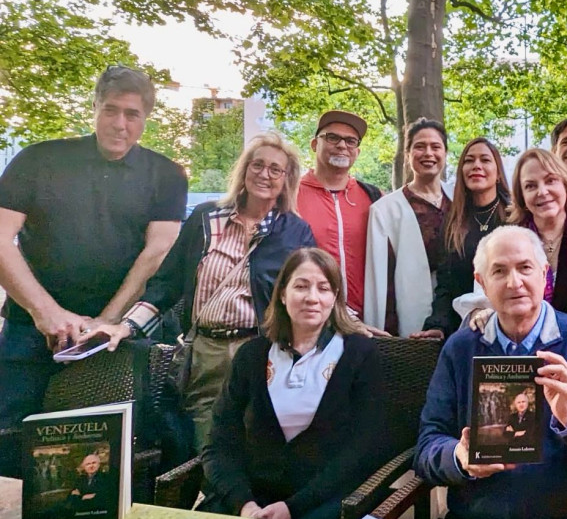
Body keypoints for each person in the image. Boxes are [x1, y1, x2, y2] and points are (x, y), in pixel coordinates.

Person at [0, 66, 187, 476]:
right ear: (95, 107)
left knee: (101, 455)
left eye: (132, 114)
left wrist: (108, 319)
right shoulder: (38, 160)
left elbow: (157, 252)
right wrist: (45, 312)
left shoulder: (166, 175)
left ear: (146, 118)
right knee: (11, 444)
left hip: (114, 340)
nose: (120, 124)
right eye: (111, 110)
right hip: (28, 332)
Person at [83, 132, 316, 452]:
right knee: (206, 442)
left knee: (258, 440)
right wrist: (125, 326)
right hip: (207, 350)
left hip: (262, 350)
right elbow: (166, 285)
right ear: (244, 170)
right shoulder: (206, 218)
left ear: (287, 180)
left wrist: (350, 327)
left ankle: (244, 502)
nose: (265, 174)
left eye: (276, 169)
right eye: (257, 165)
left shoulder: (294, 231)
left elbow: (313, 291)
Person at [415, 226, 567, 519]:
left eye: (525, 268)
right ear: (481, 282)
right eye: (499, 271)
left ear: (544, 273)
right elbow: (427, 445)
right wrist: (459, 458)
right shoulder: (460, 349)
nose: (514, 282)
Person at [199, 248, 385, 519]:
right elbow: (219, 444)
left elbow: (364, 449)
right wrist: (244, 504)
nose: (312, 297)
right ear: (283, 295)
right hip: (251, 503)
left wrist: (292, 507)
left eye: (323, 288)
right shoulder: (251, 356)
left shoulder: (360, 354)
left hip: (326, 500)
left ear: (334, 298)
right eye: (301, 286)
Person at [456, 149, 567, 383]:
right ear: (521, 196)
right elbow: (484, 293)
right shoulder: (503, 240)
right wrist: (480, 310)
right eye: (531, 186)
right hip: (521, 370)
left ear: (565, 185)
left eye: (550, 181)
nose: (543, 192)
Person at [411, 138, 511, 340]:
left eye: (485, 160)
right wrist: (438, 325)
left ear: (498, 172)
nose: (476, 166)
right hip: (463, 330)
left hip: (510, 326)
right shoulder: (453, 223)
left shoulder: (514, 217)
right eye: (469, 160)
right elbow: (446, 286)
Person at [364, 119, 452, 336]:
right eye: (420, 147)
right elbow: (378, 278)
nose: (428, 153)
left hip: (457, 308)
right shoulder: (386, 210)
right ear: (408, 155)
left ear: (445, 153)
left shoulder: (458, 199)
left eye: (435, 147)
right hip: (410, 313)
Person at [296, 110, 384, 316]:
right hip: (311, 318)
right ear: (314, 144)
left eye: (351, 141)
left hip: (367, 320)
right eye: (332, 137)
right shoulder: (290, 195)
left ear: (357, 151)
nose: (342, 145)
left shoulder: (374, 197)